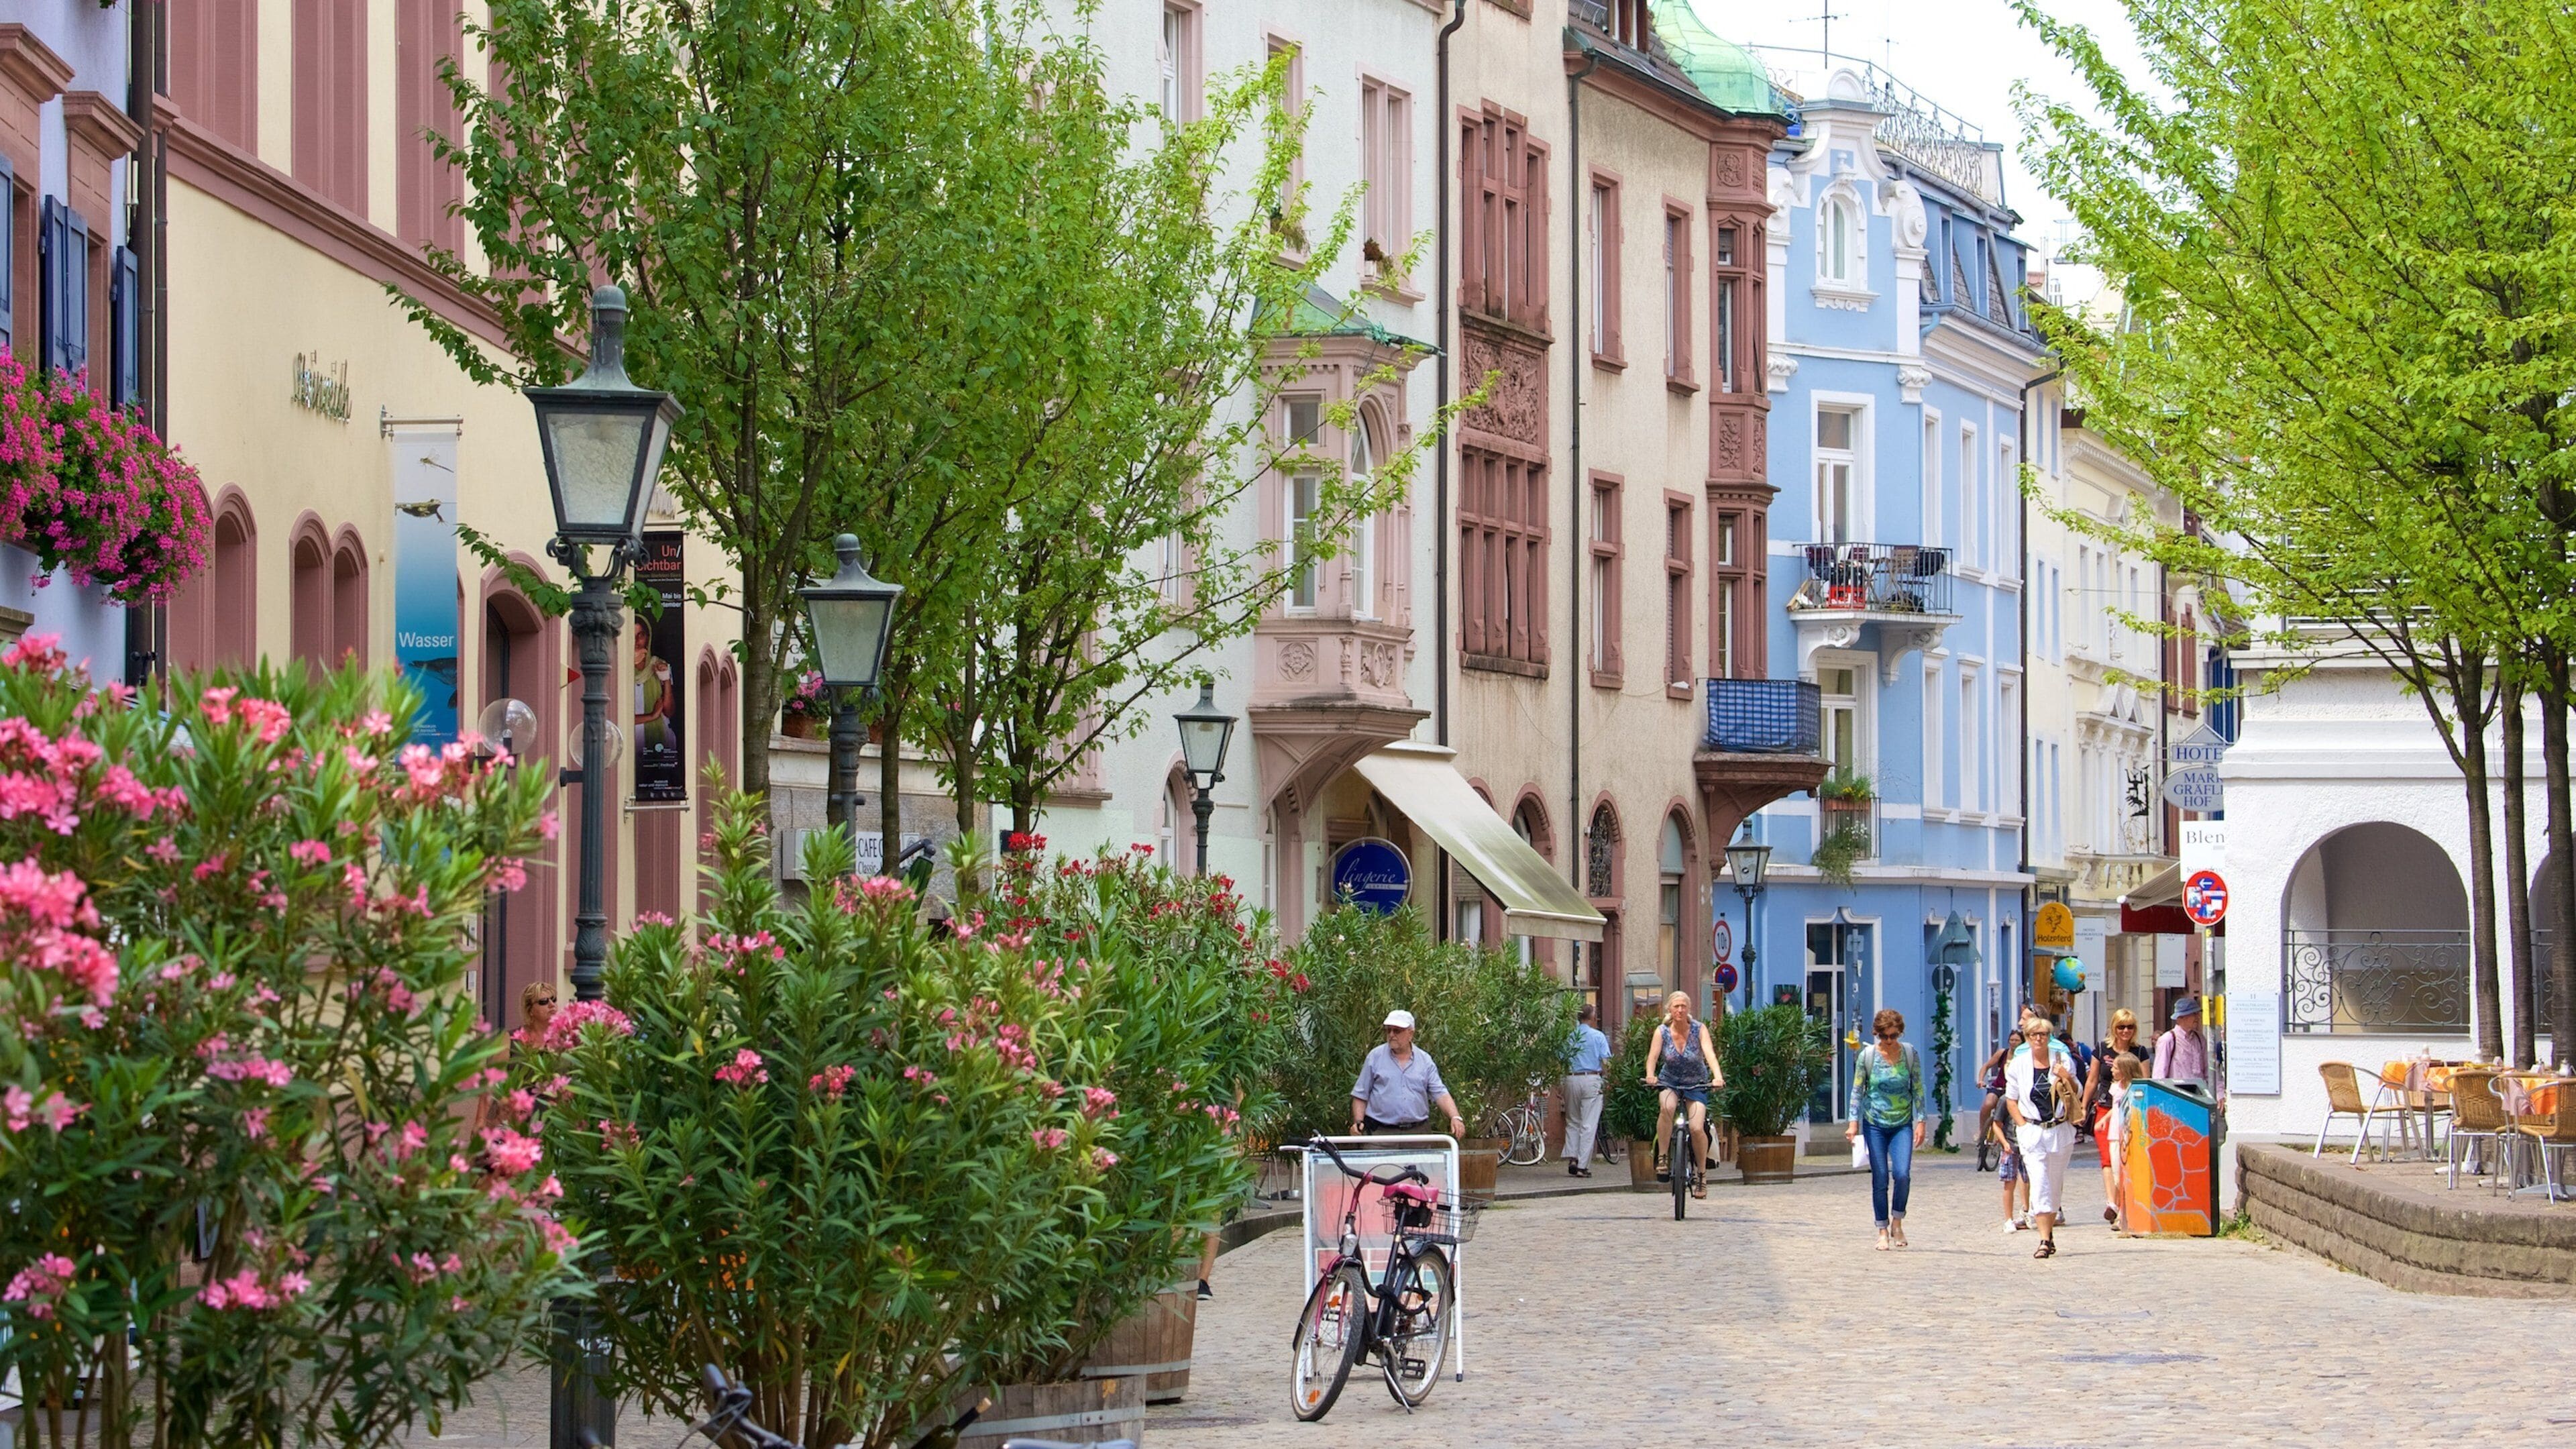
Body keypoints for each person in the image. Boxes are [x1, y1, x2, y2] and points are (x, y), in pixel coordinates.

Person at [1842, 1008, 1925, 1250]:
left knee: (1902, 1174)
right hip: (1875, 1122)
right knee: (1880, 1177)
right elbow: (1858, 1090)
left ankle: (1897, 1221)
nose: (1889, 1041)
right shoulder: (1867, 1056)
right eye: (1884, 1037)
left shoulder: (1910, 1054)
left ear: (1900, 1033)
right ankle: (1882, 1230)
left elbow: (1918, 1088)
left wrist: (1921, 1121)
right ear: (1877, 1034)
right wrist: (1853, 1122)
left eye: (1893, 1036)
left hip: (1902, 1123)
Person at [2005, 1015, 2084, 1259]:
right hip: (2033, 1132)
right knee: (2039, 1183)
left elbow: (2077, 1092)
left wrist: (2067, 1076)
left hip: (2059, 1130)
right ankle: (2044, 1239)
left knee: (2054, 1183)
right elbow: (2011, 1100)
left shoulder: (2062, 1060)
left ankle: (2049, 1234)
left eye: (2043, 1035)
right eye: (2033, 1035)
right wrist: (2022, 1125)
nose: (2038, 1039)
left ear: (2049, 1037)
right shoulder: (2018, 1064)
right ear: (2027, 1038)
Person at [1642, 991, 1722, 1199]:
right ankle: (1662, 1157)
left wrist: (1718, 1077)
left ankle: (1702, 1176)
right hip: (1669, 1081)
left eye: (1683, 1006)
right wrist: (1650, 1075)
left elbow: (1710, 1054)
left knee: (1696, 1128)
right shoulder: (1662, 1032)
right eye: (1676, 1006)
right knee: (1667, 1108)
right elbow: (1653, 1057)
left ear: (1689, 1009)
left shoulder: (1699, 1029)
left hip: (1696, 1083)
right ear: (1669, 1009)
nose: (1680, 1010)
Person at [1350, 1010, 1467, 1139]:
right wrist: (1358, 1122)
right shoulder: (1375, 1057)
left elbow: (1439, 1092)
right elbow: (1361, 1094)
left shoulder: (1425, 1060)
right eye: (1388, 1030)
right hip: (1380, 1134)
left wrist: (1455, 1117)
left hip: (1418, 1133)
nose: (1391, 1035)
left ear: (1411, 1033)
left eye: (1397, 1031)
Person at [2085, 1008, 2153, 1222]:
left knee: (2125, 1160)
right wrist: (2083, 1106)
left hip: (2129, 1112)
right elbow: (2092, 1080)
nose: (2126, 1031)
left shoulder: (2140, 1052)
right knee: (2107, 1158)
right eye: (2121, 1027)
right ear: (2114, 1028)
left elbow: (2144, 1082)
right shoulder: (2102, 1049)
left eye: (2130, 1027)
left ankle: (2121, 1206)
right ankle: (2112, 1203)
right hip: (2105, 1108)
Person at [1562, 1004, 1611, 1177]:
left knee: (1573, 1120)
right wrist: (1608, 1079)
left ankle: (1573, 1157)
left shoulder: (1570, 1036)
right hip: (1592, 1078)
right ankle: (1582, 1166)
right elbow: (1605, 1061)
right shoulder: (1598, 1036)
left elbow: (1562, 1059)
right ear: (1591, 1018)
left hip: (1572, 1078)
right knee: (1588, 1123)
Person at [2104, 1055, 2143, 1232]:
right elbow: (2114, 1109)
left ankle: (2125, 1214)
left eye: (2116, 1068)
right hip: (2115, 1133)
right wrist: (2104, 1120)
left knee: (2130, 1175)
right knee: (2117, 1175)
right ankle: (2122, 1211)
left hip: (2130, 1133)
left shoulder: (2136, 1089)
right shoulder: (2115, 1088)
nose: (2112, 1070)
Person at [2153, 995, 2214, 1096]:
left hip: (2199, 1095)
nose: (2197, 1017)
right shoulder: (2168, 1039)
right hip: (2178, 1095)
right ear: (2181, 1018)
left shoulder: (2200, 1039)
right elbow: (2159, 1074)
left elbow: (2208, 1069)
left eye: (2197, 1013)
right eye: (2193, 1014)